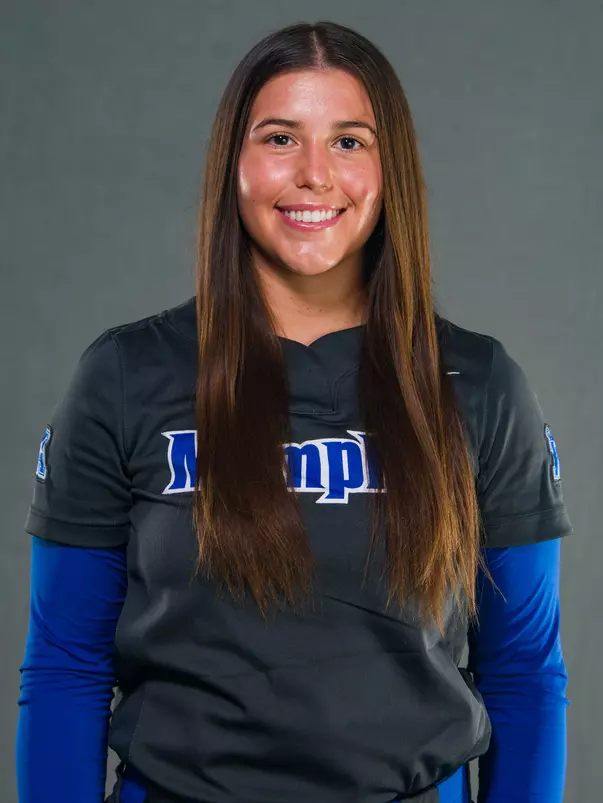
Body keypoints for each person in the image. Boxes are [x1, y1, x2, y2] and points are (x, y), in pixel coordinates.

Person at [16, 20, 573, 803]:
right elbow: (66, 664)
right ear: (232, 164)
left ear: (390, 170)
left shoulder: (477, 384)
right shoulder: (124, 375)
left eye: (349, 142)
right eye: (280, 138)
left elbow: (524, 673)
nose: (314, 174)